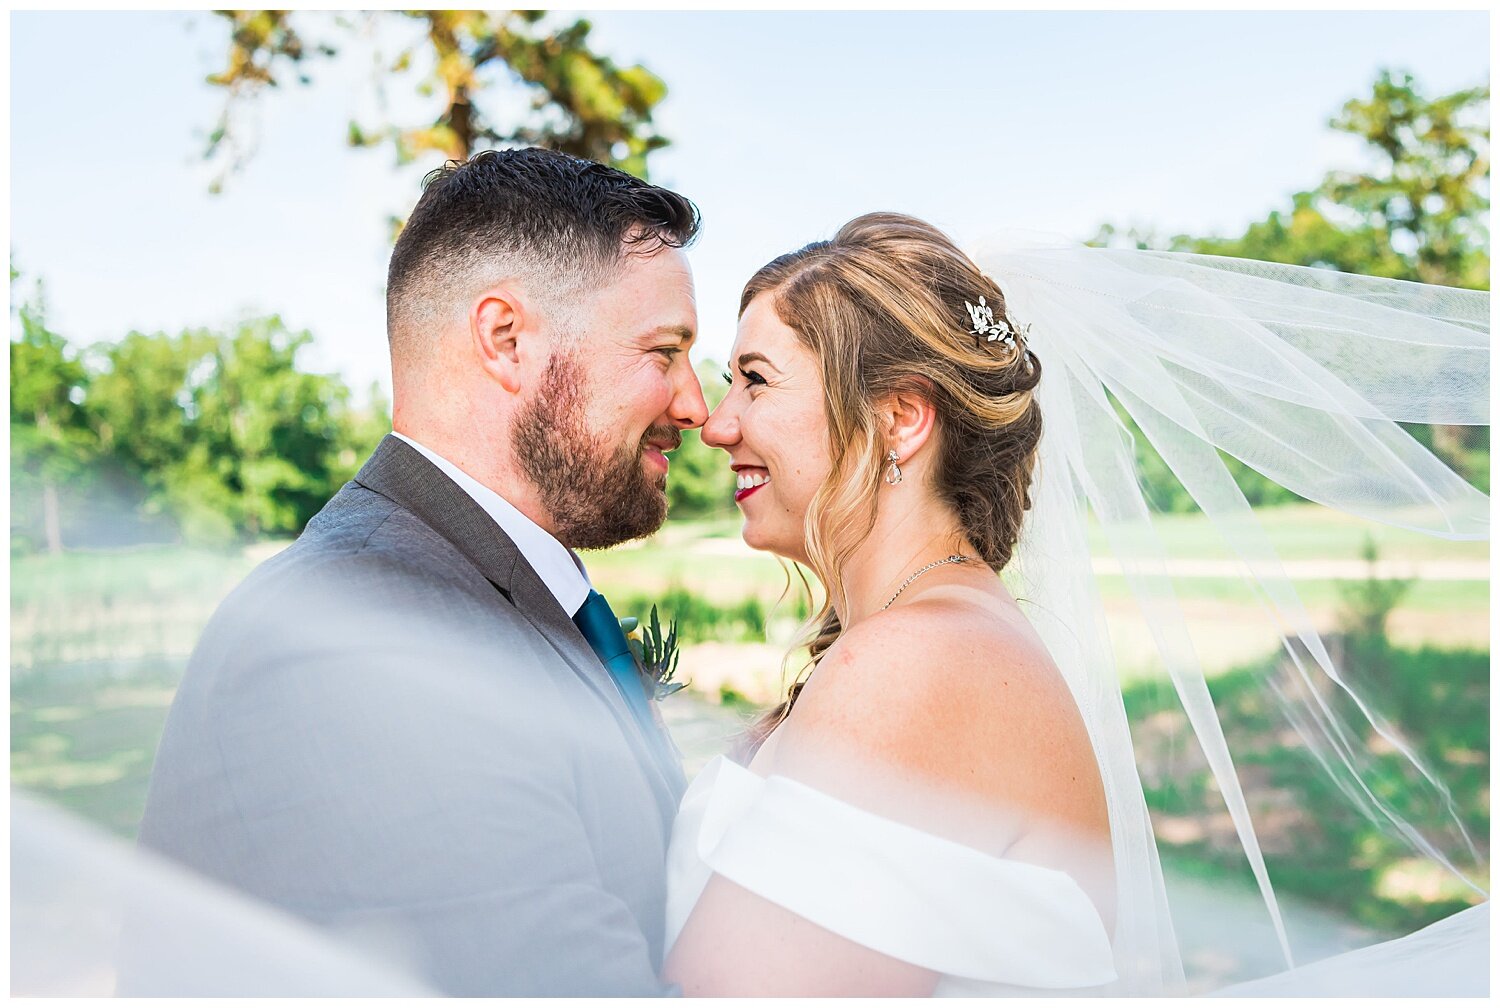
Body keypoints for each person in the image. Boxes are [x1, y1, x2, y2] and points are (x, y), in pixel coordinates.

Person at [660, 213, 1488, 995]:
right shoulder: (942, 635)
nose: (716, 422)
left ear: (901, 417)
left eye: (756, 382)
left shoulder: (914, 663)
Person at [134, 148, 709, 996]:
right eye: (664, 352)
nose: (696, 404)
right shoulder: (365, 637)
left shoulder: (471, 583)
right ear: (506, 339)